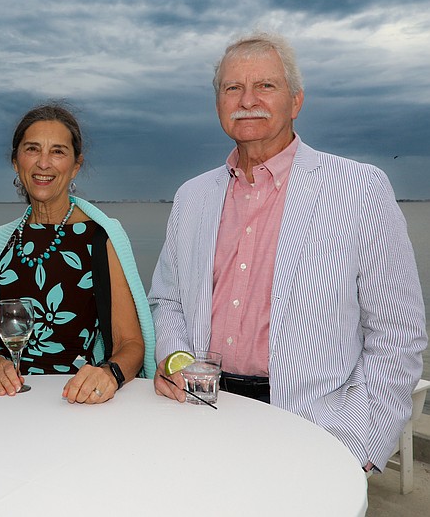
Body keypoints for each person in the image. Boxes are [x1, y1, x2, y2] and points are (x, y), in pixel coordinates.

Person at [149, 32, 426, 472]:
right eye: (232, 87)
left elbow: (397, 335)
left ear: (296, 101)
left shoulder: (359, 188)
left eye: (266, 85)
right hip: (200, 411)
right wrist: (178, 359)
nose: (247, 99)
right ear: (218, 103)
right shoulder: (191, 197)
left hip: (315, 427)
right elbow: (167, 300)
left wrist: (359, 449)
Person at [0, 104, 155, 403]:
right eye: (32, 149)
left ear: (76, 165)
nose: (43, 163)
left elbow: (131, 344)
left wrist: (109, 374)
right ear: (16, 161)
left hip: (75, 401)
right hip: (3, 404)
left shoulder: (100, 239)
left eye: (58, 152)